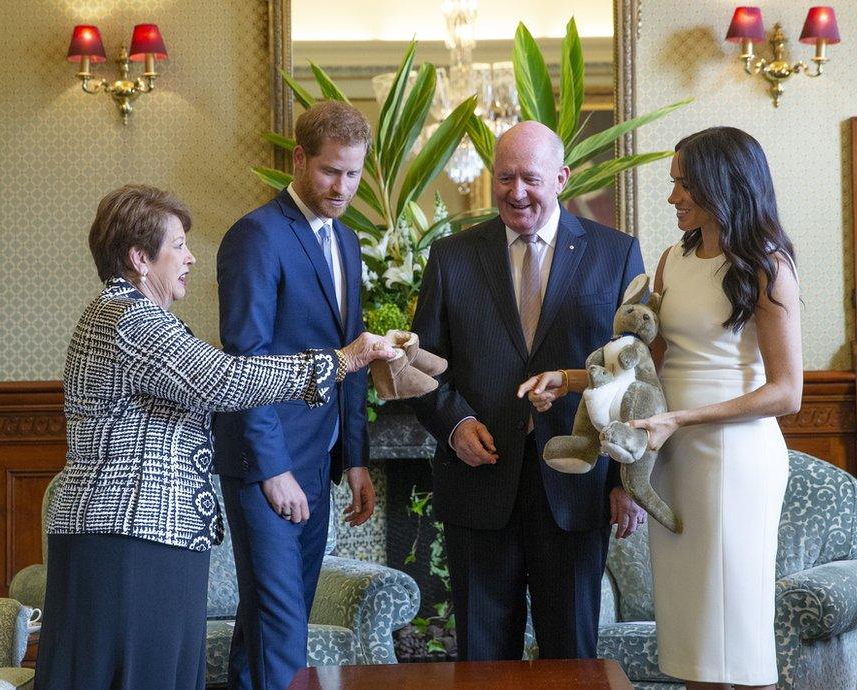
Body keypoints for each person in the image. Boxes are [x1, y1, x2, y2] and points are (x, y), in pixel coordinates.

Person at [34, 185, 392, 690]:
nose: (190, 257)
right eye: (178, 245)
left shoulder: (132, 315)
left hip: (136, 533)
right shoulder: (129, 319)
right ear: (139, 257)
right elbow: (225, 381)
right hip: (132, 534)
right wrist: (343, 360)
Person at [522, 126, 802, 689]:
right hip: (668, 453)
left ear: (722, 184)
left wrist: (679, 419)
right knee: (692, 635)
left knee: (735, 633)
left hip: (733, 457)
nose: (673, 196)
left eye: (684, 184)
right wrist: (570, 378)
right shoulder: (674, 258)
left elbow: (787, 392)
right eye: (673, 183)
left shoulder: (768, 266)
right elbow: (645, 367)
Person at [408, 120, 647, 662]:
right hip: (478, 483)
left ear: (561, 178)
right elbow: (420, 369)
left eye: (531, 179)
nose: (517, 193)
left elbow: (633, 375)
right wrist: (453, 425)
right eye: (505, 178)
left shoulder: (616, 254)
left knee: (572, 654)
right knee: (483, 655)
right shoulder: (452, 257)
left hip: (578, 485)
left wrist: (625, 479)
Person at [213, 100, 375, 688]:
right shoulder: (256, 235)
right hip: (269, 460)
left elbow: (351, 354)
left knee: (275, 618)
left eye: (354, 173)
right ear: (301, 159)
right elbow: (241, 362)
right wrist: (271, 469)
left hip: (318, 458)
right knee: (282, 623)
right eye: (332, 171)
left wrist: (355, 460)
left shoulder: (349, 241)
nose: (343, 187)